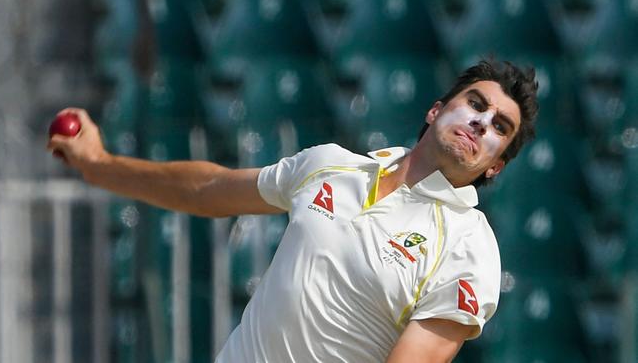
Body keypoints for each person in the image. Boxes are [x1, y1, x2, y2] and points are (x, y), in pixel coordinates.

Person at [47, 59, 538, 362]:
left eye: (499, 128)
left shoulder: (469, 247)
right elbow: (208, 188)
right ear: (435, 110)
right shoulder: (330, 166)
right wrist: (100, 165)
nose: (480, 122)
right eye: (475, 103)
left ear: (494, 166)